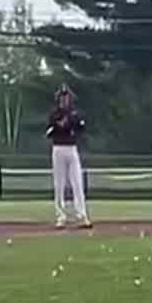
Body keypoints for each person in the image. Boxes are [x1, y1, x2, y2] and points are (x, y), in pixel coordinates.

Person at [46, 84, 93, 229]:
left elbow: (80, 127)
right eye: (62, 98)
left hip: (71, 148)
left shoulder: (75, 113)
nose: (64, 100)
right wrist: (62, 125)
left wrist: (71, 125)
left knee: (77, 183)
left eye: (66, 98)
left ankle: (81, 215)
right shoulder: (54, 114)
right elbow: (52, 130)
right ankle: (61, 216)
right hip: (58, 148)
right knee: (59, 184)